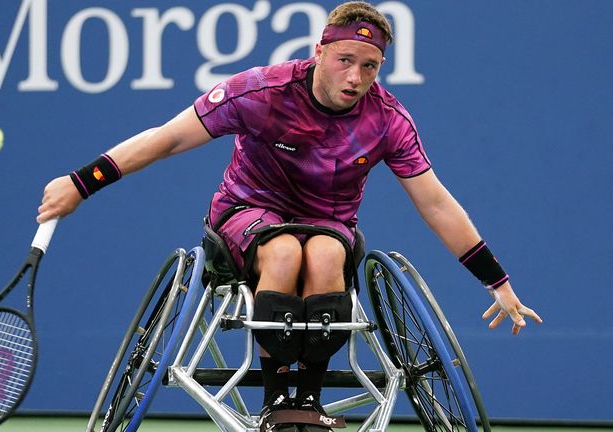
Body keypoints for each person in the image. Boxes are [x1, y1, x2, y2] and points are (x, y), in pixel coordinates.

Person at [37, 2, 542, 430]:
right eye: (346, 59)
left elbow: (435, 203)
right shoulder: (261, 92)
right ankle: (277, 400)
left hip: (329, 225)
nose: (356, 77)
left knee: (323, 252)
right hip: (245, 214)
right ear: (319, 51)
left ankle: (308, 403)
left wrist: (495, 280)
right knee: (282, 250)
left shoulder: (387, 120)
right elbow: (167, 138)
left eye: (370, 66)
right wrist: (84, 182)